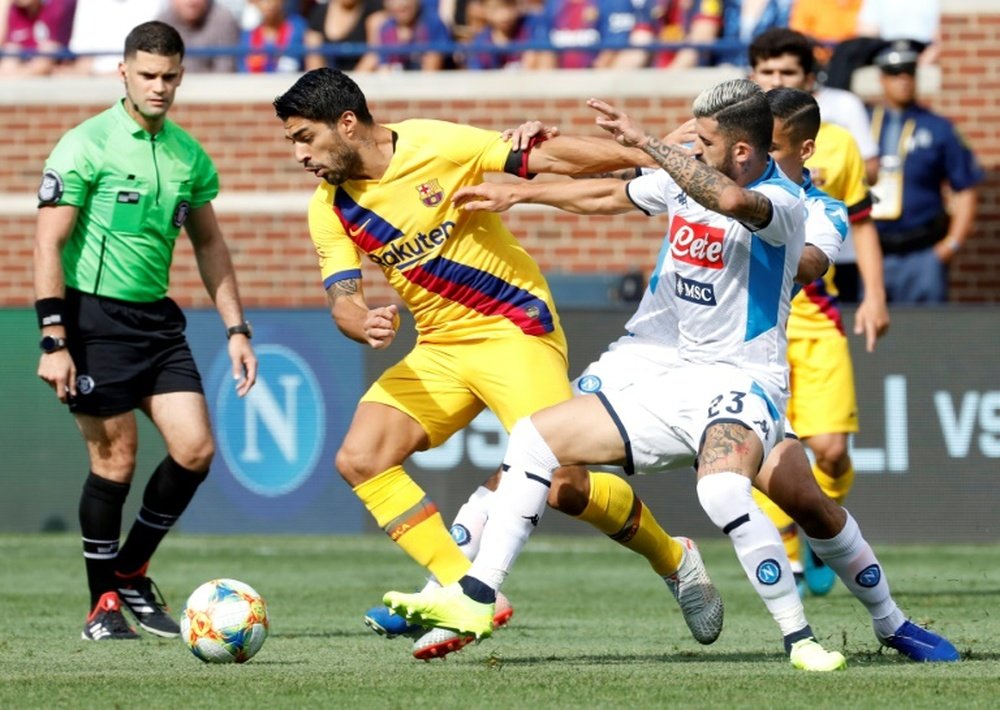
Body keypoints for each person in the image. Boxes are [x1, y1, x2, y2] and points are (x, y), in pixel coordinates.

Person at [387, 84, 960, 666]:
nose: (690, 145)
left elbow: (755, 220)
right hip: (663, 364)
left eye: (704, 139)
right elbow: (610, 196)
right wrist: (521, 193)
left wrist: (649, 144)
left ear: (750, 149)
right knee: (536, 441)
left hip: (744, 381)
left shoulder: (794, 205)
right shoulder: (686, 181)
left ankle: (881, 625)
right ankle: (471, 592)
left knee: (797, 504)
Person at [272, 68, 724, 661]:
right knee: (360, 458)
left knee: (562, 484)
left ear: (347, 123)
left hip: (514, 328)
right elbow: (342, 295)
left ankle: (676, 559)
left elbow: (548, 157)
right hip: (439, 348)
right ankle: (463, 588)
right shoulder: (328, 208)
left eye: (305, 137)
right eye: (292, 142)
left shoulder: (435, 144)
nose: (300, 154)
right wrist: (360, 319)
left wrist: (652, 152)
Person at [34, 20, 258, 641]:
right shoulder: (85, 144)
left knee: (196, 449)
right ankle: (102, 602)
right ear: (124, 73)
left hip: (157, 320)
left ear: (182, 75)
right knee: (117, 460)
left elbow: (209, 243)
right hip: (90, 319)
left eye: (170, 77)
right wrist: (54, 338)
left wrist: (237, 328)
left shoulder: (188, 154)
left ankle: (131, 568)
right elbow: (47, 243)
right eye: (149, 75)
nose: (160, 87)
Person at [746, 26, 890, 596]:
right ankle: (796, 561)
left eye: (788, 74)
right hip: (753, 323)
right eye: (768, 72)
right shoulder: (733, 142)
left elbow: (860, 222)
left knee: (829, 449)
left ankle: (820, 521)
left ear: (809, 81)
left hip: (816, 316)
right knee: (762, 447)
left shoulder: (836, 145)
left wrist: (875, 295)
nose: (776, 82)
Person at [868, 40, 983, 304]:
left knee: (927, 337)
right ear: (882, 78)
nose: (904, 79)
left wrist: (949, 246)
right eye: (895, 73)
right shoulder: (863, 122)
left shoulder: (939, 127)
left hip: (923, 252)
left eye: (910, 72)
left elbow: (965, 188)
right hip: (872, 250)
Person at [157, 0, 242, 73]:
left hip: (214, 89)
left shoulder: (224, 20)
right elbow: (158, 69)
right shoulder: (161, 24)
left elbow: (226, 70)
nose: (191, 1)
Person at [461, 0, 544, 71]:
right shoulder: (481, 44)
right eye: (497, 9)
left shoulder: (531, 26)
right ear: (485, 10)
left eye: (510, 6)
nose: (505, 15)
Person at [0, 0, 76, 77]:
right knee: (11, 52)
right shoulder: (15, 10)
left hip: (49, 69)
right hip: (27, 70)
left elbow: (48, 56)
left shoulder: (57, 7)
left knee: (47, 52)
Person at [303, 0, 382, 72]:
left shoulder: (374, 10)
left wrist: (351, 84)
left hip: (362, 80)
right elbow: (313, 57)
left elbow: (373, 56)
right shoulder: (318, 12)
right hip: (326, 82)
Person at [239, 0, 307, 73]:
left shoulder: (297, 27)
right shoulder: (248, 36)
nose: (269, 3)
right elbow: (244, 70)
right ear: (255, 3)